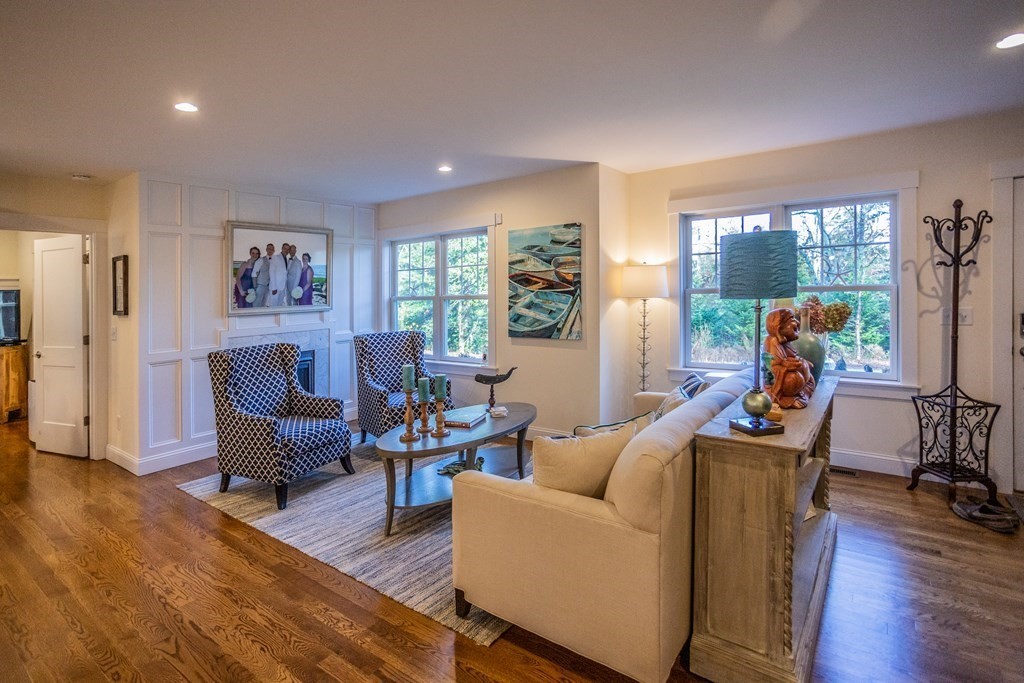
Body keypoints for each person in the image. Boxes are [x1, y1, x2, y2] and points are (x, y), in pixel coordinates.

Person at [764, 308, 815, 409]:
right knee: (792, 378)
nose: (797, 322)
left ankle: (798, 394)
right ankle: (785, 399)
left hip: (799, 387)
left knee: (803, 369)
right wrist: (786, 367)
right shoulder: (772, 341)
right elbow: (769, 370)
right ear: (779, 326)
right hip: (780, 387)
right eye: (792, 319)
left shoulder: (786, 343)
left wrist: (802, 363)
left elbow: (790, 359)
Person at [267, 242, 288, 306]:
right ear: (282, 248)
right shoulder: (275, 257)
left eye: (288, 249)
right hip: (275, 288)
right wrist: (274, 288)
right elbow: (271, 272)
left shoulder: (286, 259)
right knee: (273, 306)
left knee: (280, 306)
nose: (286, 250)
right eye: (285, 248)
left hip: (283, 287)